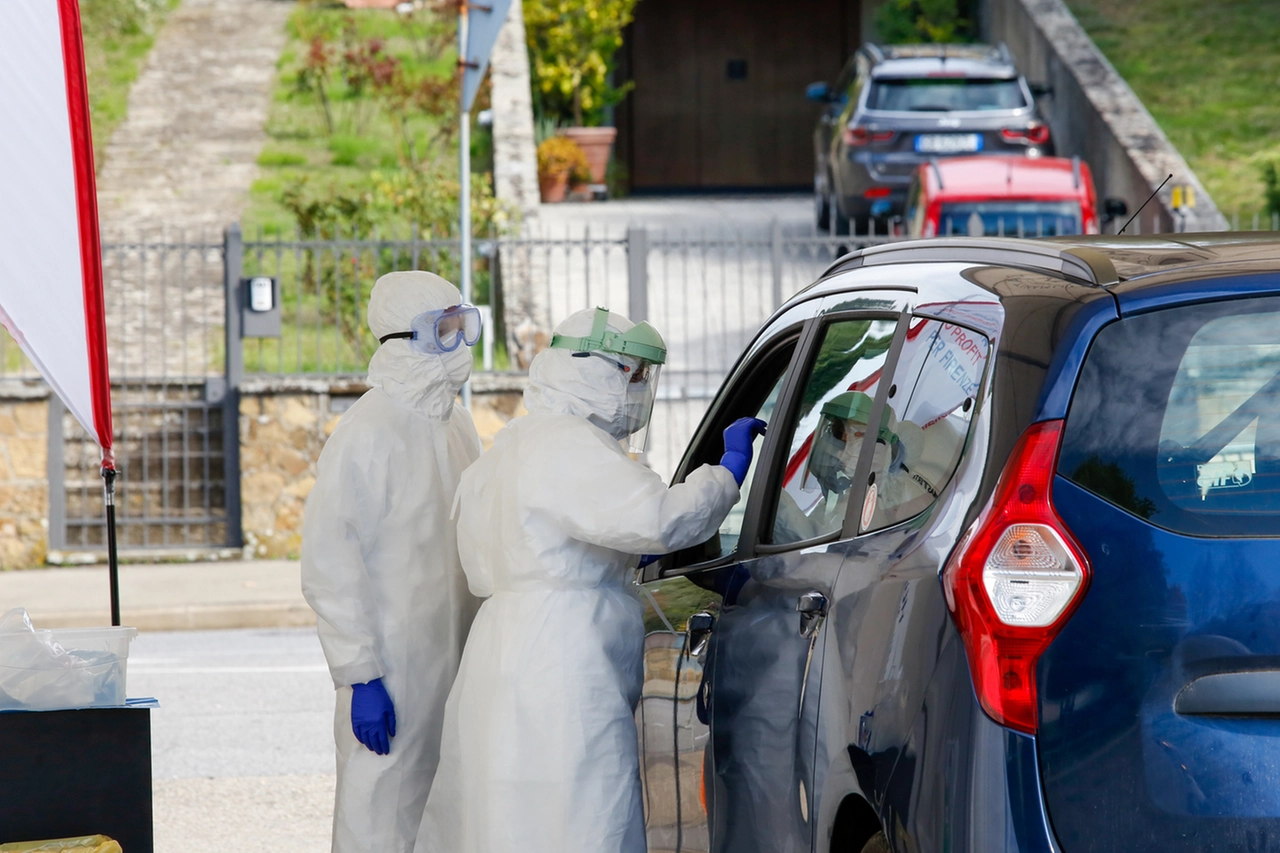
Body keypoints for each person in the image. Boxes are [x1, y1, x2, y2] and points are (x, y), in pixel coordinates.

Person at [415, 307, 766, 853]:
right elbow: (660, 519)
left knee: (504, 813)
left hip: (506, 652)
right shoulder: (566, 445)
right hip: (561, 661)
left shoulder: (516, 443)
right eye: (632, 373)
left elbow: (583, 533)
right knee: (581, 812)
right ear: (593, 371)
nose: (638, 390)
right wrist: (727, 472)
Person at [301, 270, 484, 853]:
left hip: (452, 659)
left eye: (463, 325)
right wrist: (360, 675)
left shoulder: (456, 422)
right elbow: (330, 563)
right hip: (391, 671)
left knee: (445, 812)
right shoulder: (366, 432)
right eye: (444, 330)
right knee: (378, 816)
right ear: (403, 340)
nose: (459, 344)